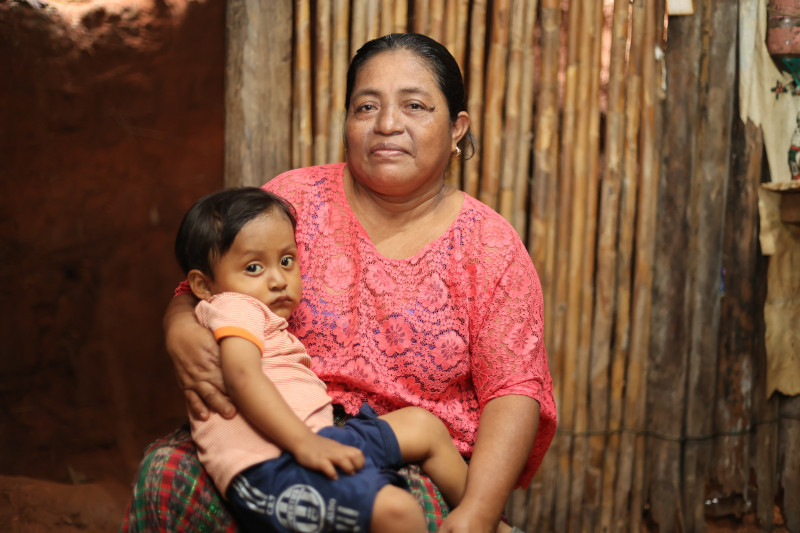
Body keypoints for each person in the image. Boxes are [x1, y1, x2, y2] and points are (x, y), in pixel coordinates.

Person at [121, 32, 556, 533]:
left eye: (415, 106)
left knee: (398, 515)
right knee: (166, 473)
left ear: (458, 128)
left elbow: (514, 390)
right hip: (274, 432)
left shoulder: (489, 246)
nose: (388, 125)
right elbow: (205, 288)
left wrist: (479, 513)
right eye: (366, 106)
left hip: (415, 462)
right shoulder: (292, 201)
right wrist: (177, 328)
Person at [173, 186, 470, 533]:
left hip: (315, 438)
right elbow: (242, 378)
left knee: (424, 426)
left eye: (286, 261)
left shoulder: (256, 314)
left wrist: (313, 440)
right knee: (399, 513)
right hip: (270, 466)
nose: (278, 279)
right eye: (254, 267)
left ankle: (488, 520)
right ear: (204, 286)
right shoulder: (235, 307)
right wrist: (305, 444)